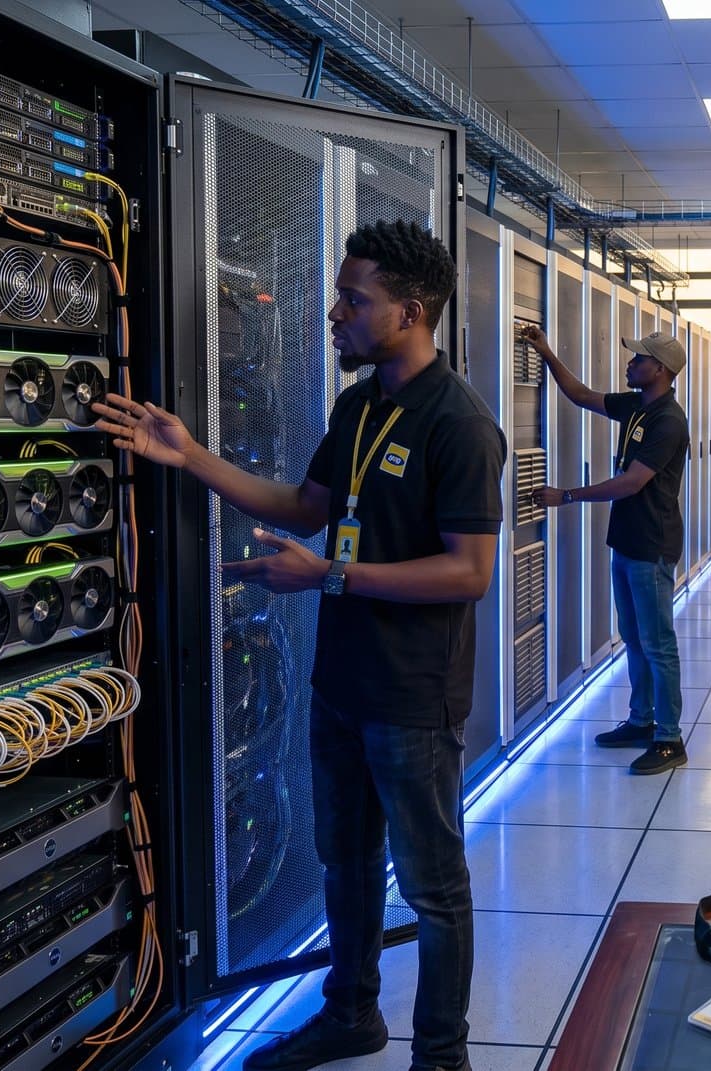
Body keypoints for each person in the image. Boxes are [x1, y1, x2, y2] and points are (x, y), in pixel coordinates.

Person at [96, 220, 502, 1071]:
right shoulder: (356, 407)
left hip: (412, 696)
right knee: (344, 863)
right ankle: (351, 1013)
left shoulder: (460, 424)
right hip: (341, 683)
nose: (335, 312)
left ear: (412, 312)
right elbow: (303, 506)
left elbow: (469, 572)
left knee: (432, 886)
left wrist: (331, 579)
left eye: (355, 300)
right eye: (340, 296)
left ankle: (443, 1054)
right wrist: (190, 454)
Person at [522, 324, 692, 775]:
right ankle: (642, 721)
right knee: (635, 639)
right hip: (627, 542)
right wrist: (546, 351)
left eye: (638, 359)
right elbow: (580, 395)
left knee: (657, 644)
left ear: (659, 369)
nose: (630, 363)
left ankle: (670, 739)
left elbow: (632, 482)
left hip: (652, 547)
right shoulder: (636, 406)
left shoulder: (668, 421)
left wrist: (569, 496)